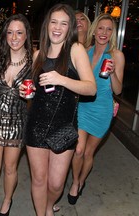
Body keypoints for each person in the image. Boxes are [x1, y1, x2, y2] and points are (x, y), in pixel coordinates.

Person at [19, 4, 96, 216]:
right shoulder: (38, 55)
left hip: (64, 126)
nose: (57, 27)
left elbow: (91, 88)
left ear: (70, 27)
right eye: (53, 22)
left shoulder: (75, 50)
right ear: (47, 25)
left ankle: (47, 204)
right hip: (36, 125)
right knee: (39, 179)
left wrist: (61, 79)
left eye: (63, 23)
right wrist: (28, 92)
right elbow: (35, 91)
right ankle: (42, 213)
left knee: (55, 185)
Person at [68, 13, 125, 205]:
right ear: (94, 30)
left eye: (109, 29)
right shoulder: (86, 50)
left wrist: (112, 74)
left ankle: (82, 180)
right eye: (101, 28)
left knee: (88, 153)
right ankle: (75, 182)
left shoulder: (116, 55)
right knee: (78, 150)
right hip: (83, 106)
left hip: (102, 109)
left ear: (112, 34)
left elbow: (118, 89)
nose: (104, 33)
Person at [0, 14, 33, 216]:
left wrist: (33, 95)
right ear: (4, 35)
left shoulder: (34, 62)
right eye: (10, 32)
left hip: (18, 121)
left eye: (19, 32)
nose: (14, 37)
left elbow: (44, 93)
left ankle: (7, 199)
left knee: (10, 168)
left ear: (26, 35)